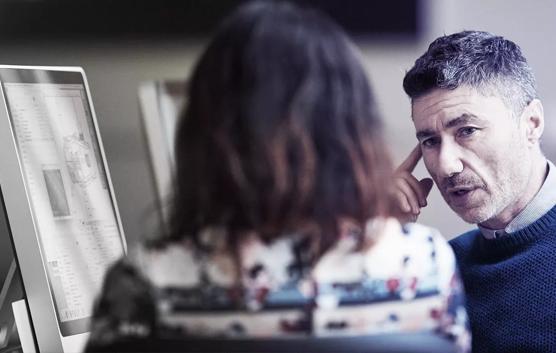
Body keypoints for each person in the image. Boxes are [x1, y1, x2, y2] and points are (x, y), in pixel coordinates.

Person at [85, 2, 469, 352]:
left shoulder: (147, 283)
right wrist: (380, 231)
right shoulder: (427, 265)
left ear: (206, 133)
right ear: (353, 131)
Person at [397, 30, 556, 352]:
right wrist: (381, 245)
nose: (446, 166)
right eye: (430, 141)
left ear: (532, 122)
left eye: (467, 131)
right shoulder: (442, 265)